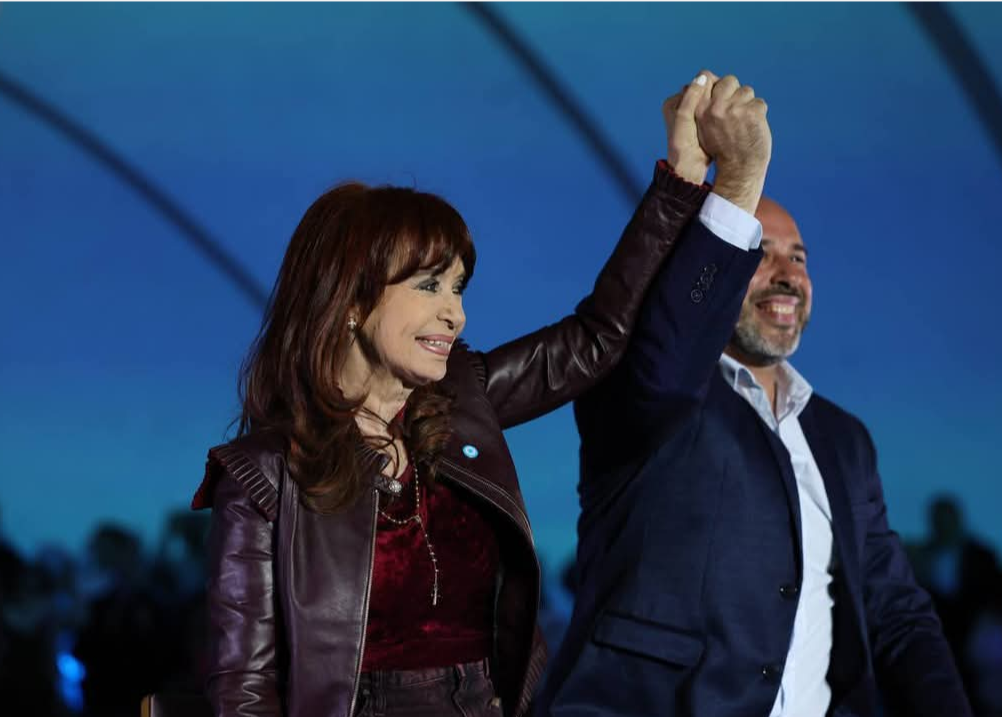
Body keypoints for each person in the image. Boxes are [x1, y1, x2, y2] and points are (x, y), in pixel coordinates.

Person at [190, 73, 764, 717]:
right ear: (350, 302)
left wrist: (682, 179)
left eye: (458, 288)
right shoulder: (263, 476)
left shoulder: (463, 400)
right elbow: (243, 691)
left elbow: (596, 339)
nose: (455, 314)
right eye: (428, 286)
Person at [537, 73, 972, 717]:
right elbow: (667, 356)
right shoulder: (646, 388)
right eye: (759, 253)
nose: (787, 274)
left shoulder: (842, 439)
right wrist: (738, 180)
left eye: (799, 258)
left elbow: (896, 611)